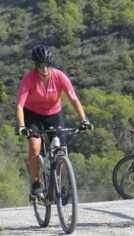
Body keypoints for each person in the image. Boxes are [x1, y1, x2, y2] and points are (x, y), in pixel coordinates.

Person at [15, 44, 93, 199]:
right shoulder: (29, 79)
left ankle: (60, 185)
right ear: (35, 65)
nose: (44, 69)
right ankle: (36, 184)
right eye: (40, 66)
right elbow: (19, 105)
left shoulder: (60, 76)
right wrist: (22, 127)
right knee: (35, 145)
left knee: (62, 151)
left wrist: (84, 120)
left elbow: (73, 99)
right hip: (32, 114)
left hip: (53, 113)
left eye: (47, 65)